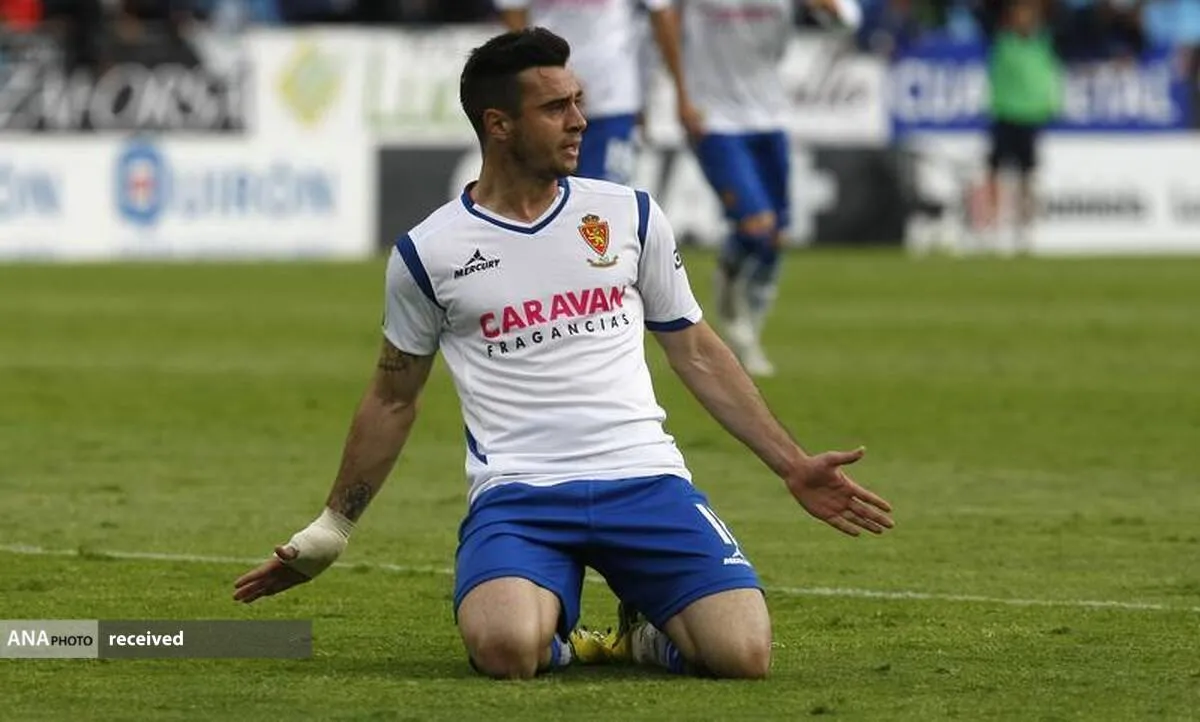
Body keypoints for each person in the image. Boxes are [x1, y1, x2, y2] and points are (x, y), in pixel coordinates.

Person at [233, 28, 893, 681]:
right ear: (498, 124)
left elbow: (694, 349)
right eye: (556, 108)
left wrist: (792, 464)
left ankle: (645, 635)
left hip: (645, 480)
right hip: (519, 495)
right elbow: (392, 398)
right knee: (506, 650)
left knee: (743, 656)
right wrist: (333, 527)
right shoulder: (428, 252)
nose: (579, 121)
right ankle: (559, 640)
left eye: (579, 101)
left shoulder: (630, 214)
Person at [676, 0, 861, 377]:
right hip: (715, 119)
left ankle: (747, 331)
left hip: (770, 117)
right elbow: (659, 15)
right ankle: (734, 306)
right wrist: (680, 96)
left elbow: (848, 21)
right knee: (757, 226)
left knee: (775, 238)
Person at [495, 0, 701, 185]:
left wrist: (682, 95)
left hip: (612, 101)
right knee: (550, 199)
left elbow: (661, 16)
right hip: (548, 101)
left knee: (606, 197)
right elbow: (513, 14)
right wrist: (550, 71)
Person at [979, 0, 1061, 254]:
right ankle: (991, 230)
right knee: (995, 173)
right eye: (1019, 15)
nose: (1023, 21)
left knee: (1027, 177)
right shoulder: (1003, 43)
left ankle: (1025, 230)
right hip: (1005, 115)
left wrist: (1051, 105)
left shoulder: (1043, 45)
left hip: (1030, 117)